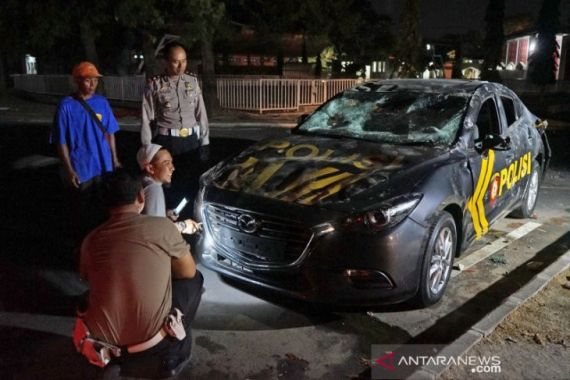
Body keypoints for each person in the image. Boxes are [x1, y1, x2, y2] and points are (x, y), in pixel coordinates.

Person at [77, 169, 203, 378]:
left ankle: (115, 361)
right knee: (195, 281)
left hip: (103, 343)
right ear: (141, 196)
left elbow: (87, 277)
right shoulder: (162, 227)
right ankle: (174, 354)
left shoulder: (90, 240)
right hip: (151, 344)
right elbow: (188, 272)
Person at [51, 61, 121, 243]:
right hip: (82, 168)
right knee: (81, 210)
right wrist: (69, 170)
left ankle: (102, 243)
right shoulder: (66, 106)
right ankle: (82, 246)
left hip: (104, 166)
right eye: (88, 81)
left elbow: (110, 133)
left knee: (105, 207)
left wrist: (115, 159)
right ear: (77, 81)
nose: (92, 85)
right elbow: (61, 141)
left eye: (95, 81)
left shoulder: (102, 102)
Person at [141, 41, 210, 213]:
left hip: (191, 142)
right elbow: (145, 118)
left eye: (184, 61)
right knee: (168, 183)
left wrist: (205, 142)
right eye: (175, 61)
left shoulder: (192, 81)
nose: (181, 66)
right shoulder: (155, 84)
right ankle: (169, 219)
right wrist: (147, 149)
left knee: (192, 182)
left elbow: (201, 114)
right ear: (165, 61)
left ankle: (189, 217)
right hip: (167, 142)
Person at [136, 143, 201, 234]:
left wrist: (164, 214)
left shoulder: (141, 182)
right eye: (166, 163)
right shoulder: (153, 189)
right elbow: (156, 231)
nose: (173, 168)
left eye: (171, 162)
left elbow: (147, 219)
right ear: (150, 168)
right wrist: (184, 226)